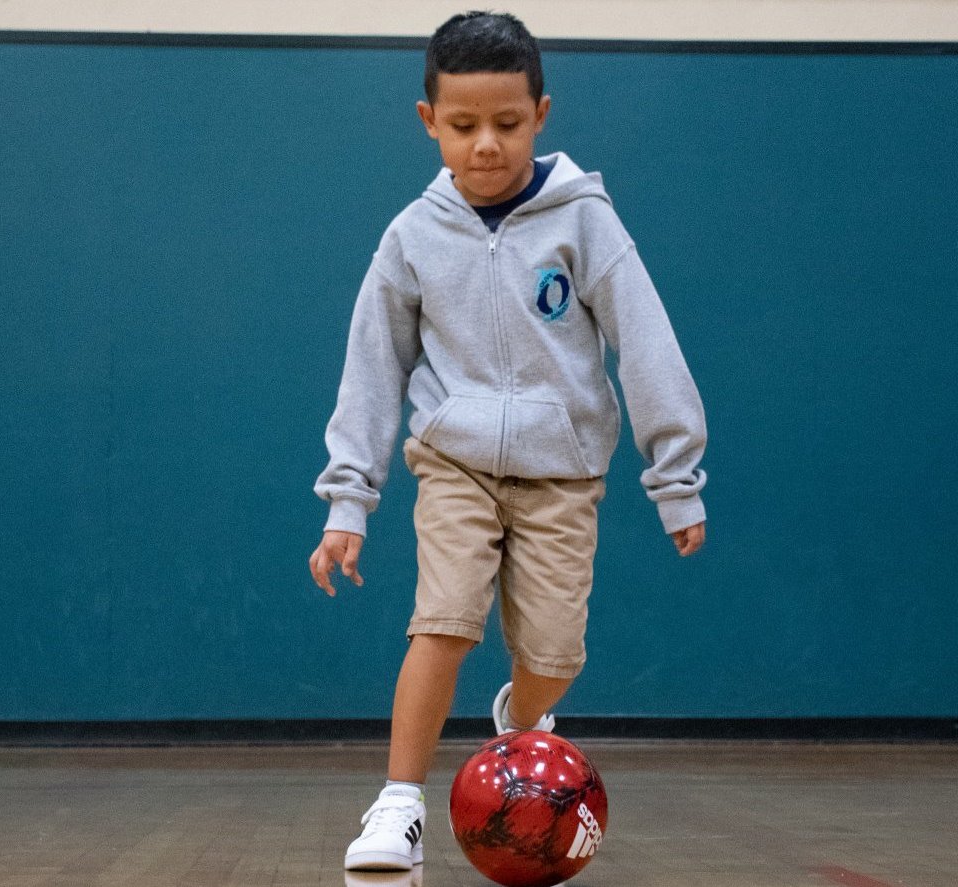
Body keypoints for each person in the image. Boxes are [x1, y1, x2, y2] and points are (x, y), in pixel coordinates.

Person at [308, 10, 707, 871]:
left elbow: (647, 344)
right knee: (443, 622)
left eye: (507, 123)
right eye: (462, 126)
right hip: (454, 464)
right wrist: (350, 499)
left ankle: (521, 724)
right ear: (429, 123)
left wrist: (675, 477)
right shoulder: (413, 238)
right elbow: (372, 371)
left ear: (541, 115)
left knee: (556, 654)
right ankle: (399, 803)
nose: (485, 144)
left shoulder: (586, 223)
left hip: (562, 475)